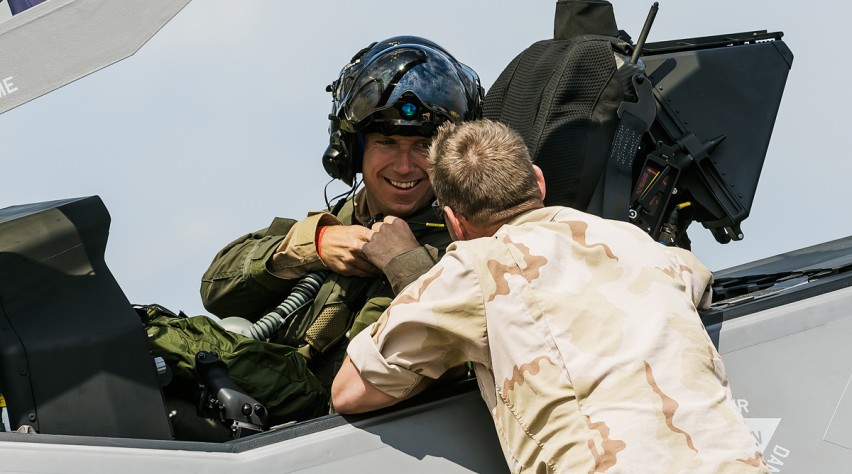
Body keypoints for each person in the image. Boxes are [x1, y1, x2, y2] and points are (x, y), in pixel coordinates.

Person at [332, 119, 767, 473]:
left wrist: (405, 267)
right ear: (538, 183)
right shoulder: (641, 244)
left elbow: (350, 391)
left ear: (454, 223)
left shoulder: (475, 269)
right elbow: (698, 285)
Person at [198, 36, 483, 415]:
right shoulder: (337, 222)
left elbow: (474, 348)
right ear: (351, 151)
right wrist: (314, 245)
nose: (403, 166)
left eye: (422, 146)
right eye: (386, 141)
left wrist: (407, 266)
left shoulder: (470, 240)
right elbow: (216, 287)